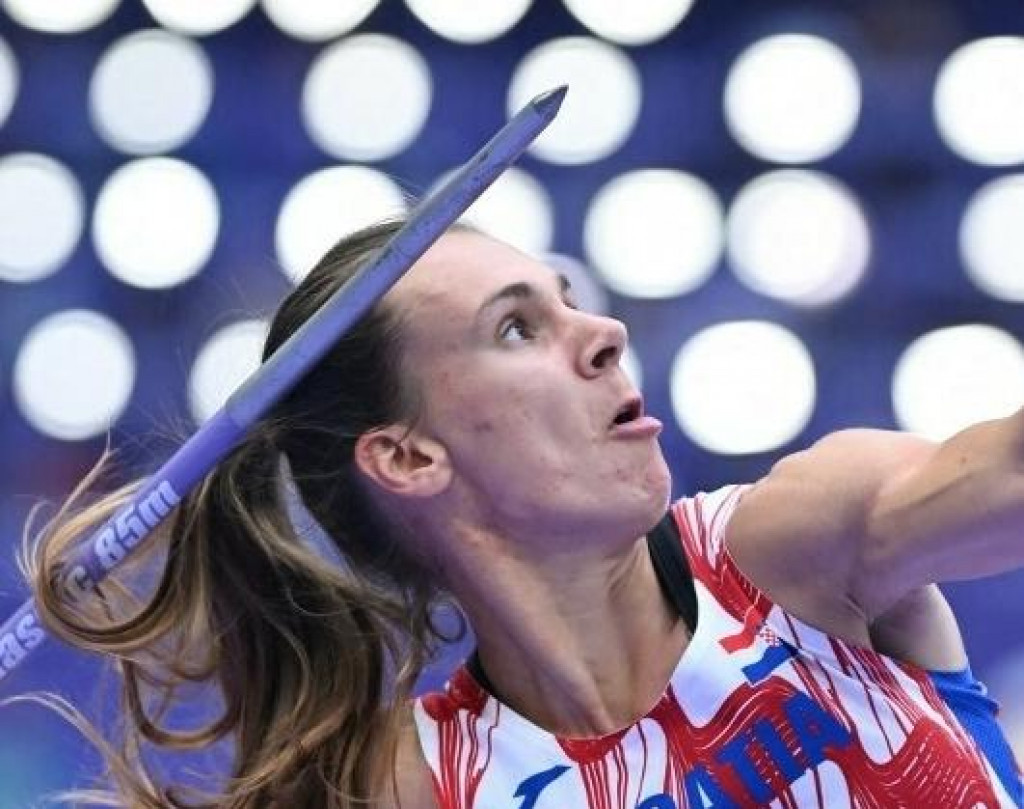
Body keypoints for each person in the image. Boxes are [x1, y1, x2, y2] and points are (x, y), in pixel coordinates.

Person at [26, 219, 1022, 808]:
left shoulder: (791, 551)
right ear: (409, 456)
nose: (603, 333)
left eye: (567, 299)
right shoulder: (419, 784)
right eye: (517, 326)